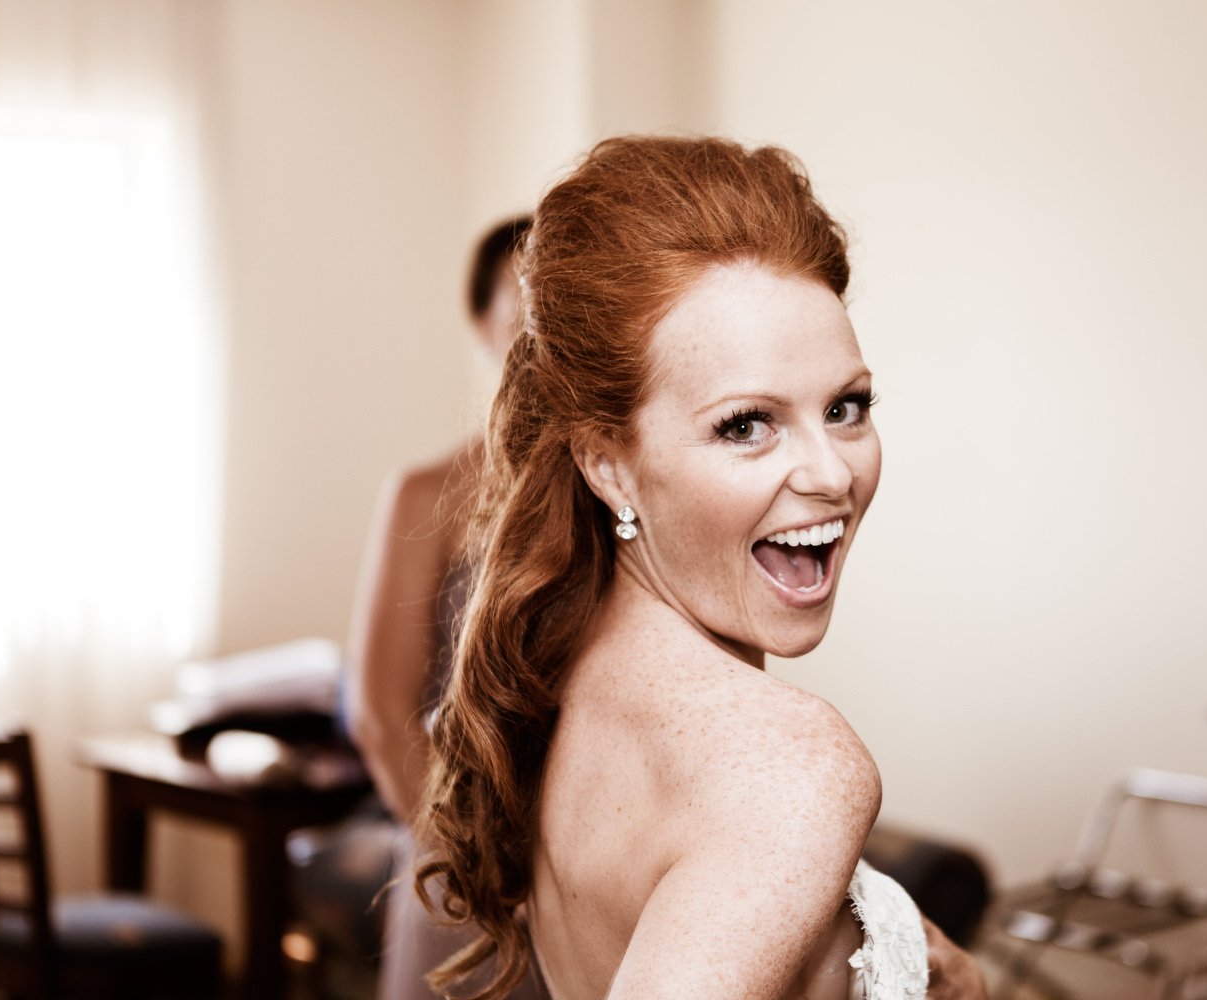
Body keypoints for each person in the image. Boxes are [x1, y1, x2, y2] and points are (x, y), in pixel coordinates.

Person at [416, 138, 986, 1000]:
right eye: (746, 423)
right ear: (606, 462)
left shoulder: (562, 683)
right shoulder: (791, 764)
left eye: (846, 407)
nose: (831, 472)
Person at [344, 215, 542, 999]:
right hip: (465, 872)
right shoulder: (427, 495)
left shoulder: (613, 493)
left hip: (598, 879)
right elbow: (380, 712)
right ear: (484, 325)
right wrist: (483, 864)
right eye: (523, 316)